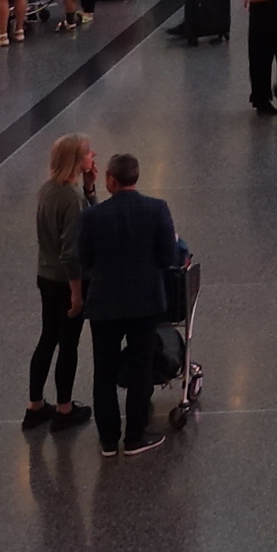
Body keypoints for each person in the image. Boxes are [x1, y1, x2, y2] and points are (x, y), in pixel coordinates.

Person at [73, 150, 188, 458]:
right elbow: (167, 257)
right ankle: (135, 436)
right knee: (140, 369)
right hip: (145, 303)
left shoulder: (92, 217)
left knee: (104, 371)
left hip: (104, 305)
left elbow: (84, 260)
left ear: (110, 180)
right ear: (135, 177)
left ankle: (108, 439)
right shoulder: (157, 209)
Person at [27, 132, 94, 429]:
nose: (94, 156)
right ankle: (65, 409)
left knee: (48, 338)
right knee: (69, 344)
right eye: (89, 153)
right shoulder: (72, 199)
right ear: (76, 161)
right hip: (67, 282)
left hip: (45, 275)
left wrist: (91, 188)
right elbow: (72, 252)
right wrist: (77, 292)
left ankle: (36, 405)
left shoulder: (47, 190)